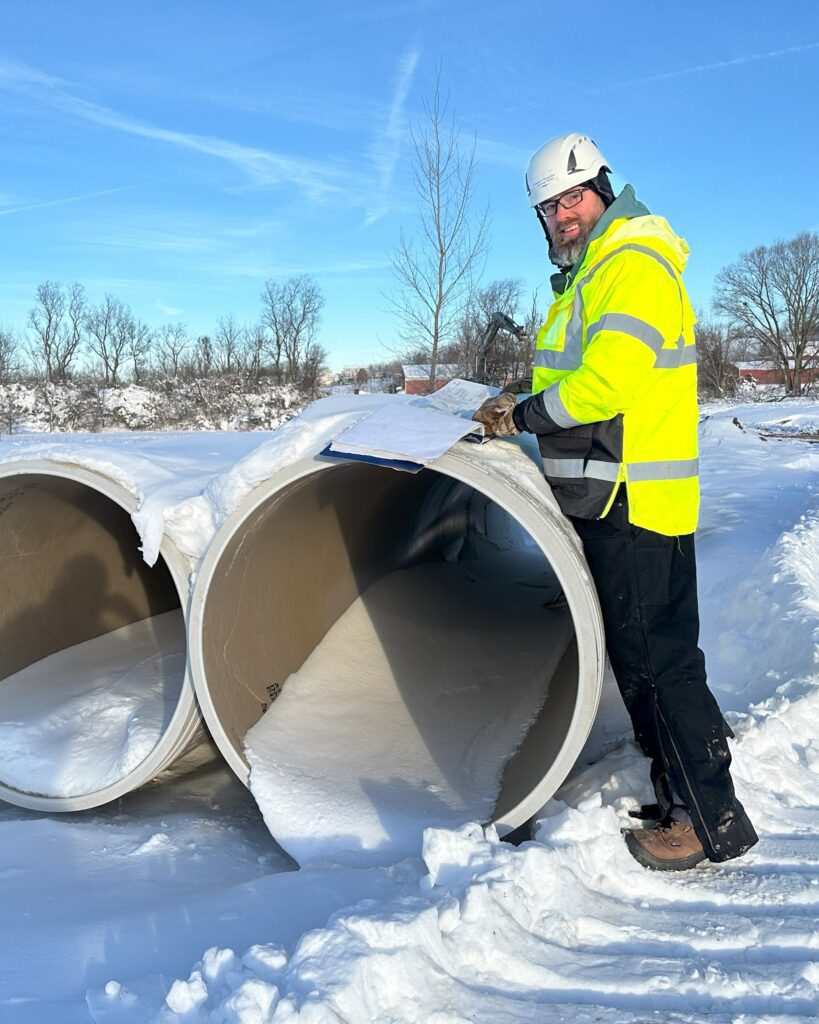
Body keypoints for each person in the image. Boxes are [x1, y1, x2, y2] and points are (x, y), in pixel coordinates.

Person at [473, 133, 757, 871]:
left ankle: (705, 819)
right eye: (547, 208)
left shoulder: (629, 264)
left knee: (660, 664)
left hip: (631, 499)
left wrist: (523, 416)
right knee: (643, 661)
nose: (560, 216)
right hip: (612, 496)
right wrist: (523, 400)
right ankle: (684, 798)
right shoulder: (594, 274)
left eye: (571, 199)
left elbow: (606, 385)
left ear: (602, 189)